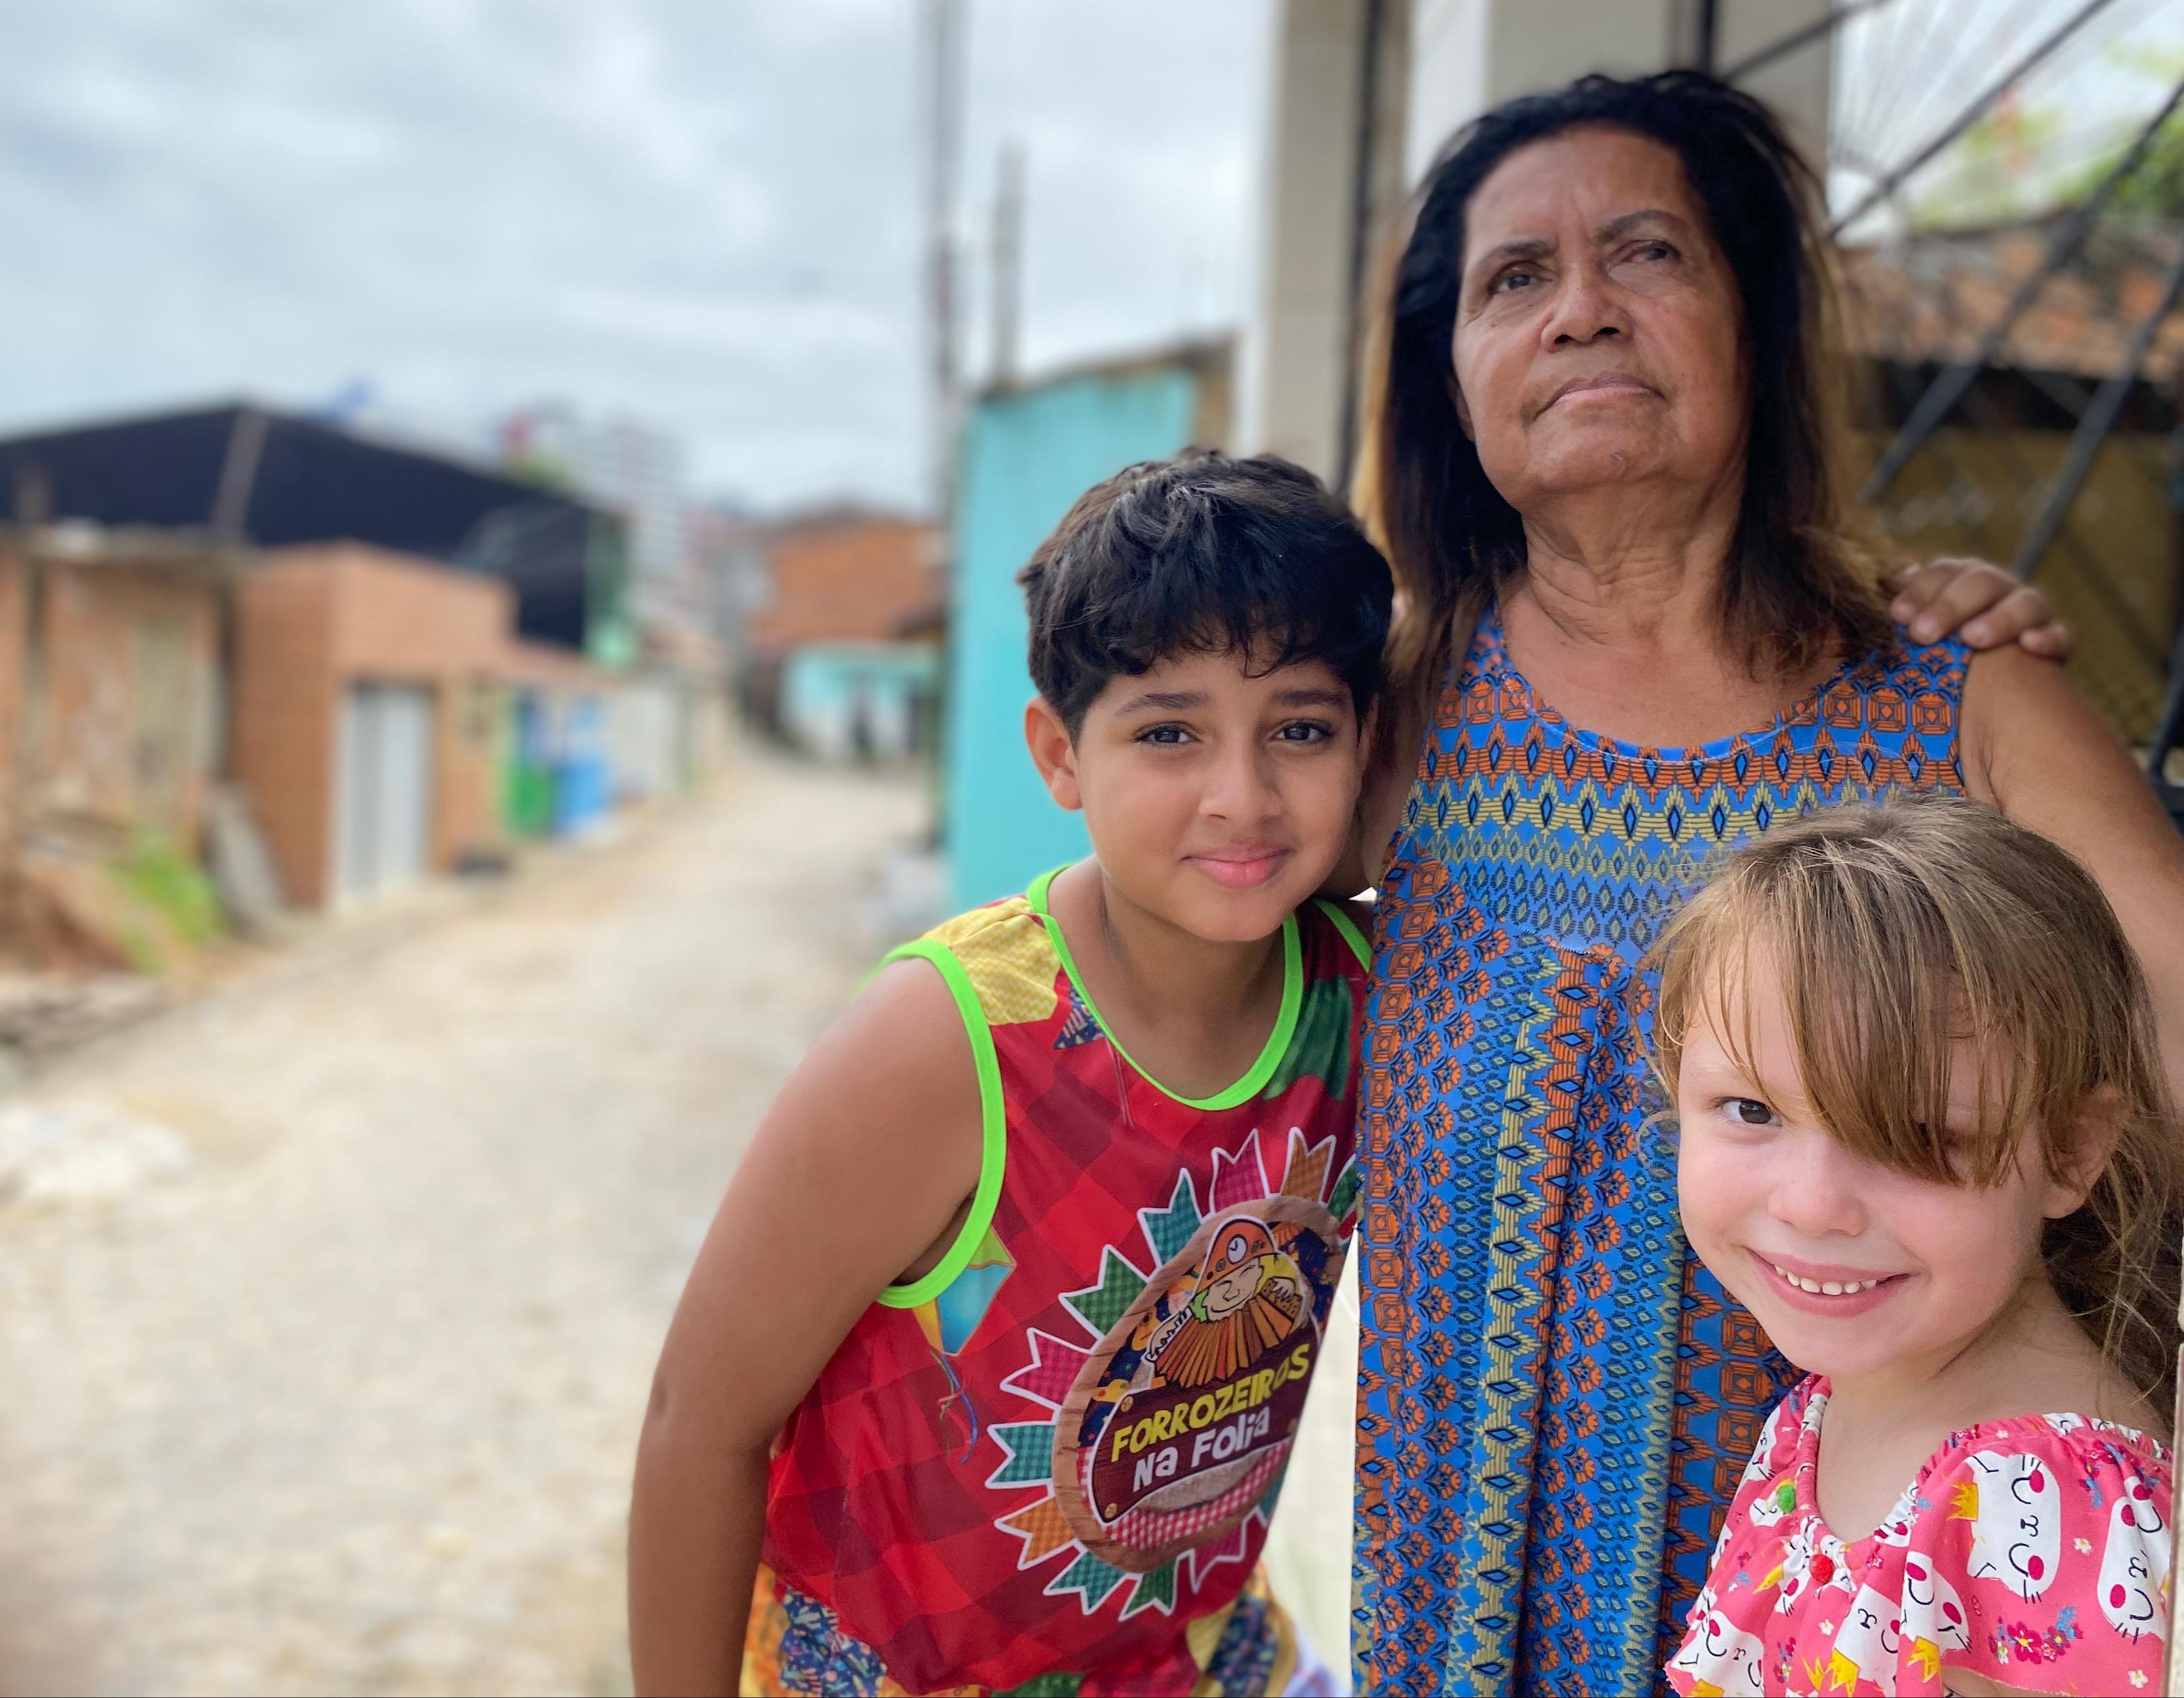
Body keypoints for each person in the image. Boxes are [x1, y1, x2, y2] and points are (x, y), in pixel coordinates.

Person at [1341, 69, 2184, 1694]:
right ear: (1449, 376)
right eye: (1514, 278)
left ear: (1750, 324)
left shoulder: (1960, 694)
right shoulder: (1386, 712)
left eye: (1646, 254)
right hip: (1447, 1601)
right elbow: (1150, 985)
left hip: (1903, 1610)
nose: (1579, 310)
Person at [628, 452, 1390, 1696]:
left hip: (1205, 1665)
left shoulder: (1369, 1001)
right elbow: (696, 1426)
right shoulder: (944, 1043)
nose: (1242, 796)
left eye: (1300, 727)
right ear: (1059, 755)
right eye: (1170, 731)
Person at [1653, 799, 2179, 1697]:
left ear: (2072, 1150)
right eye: (1753, 1111)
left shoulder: (2047, 1500)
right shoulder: (1829, 1406)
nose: (1813, 1206)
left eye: (1918, 1136)